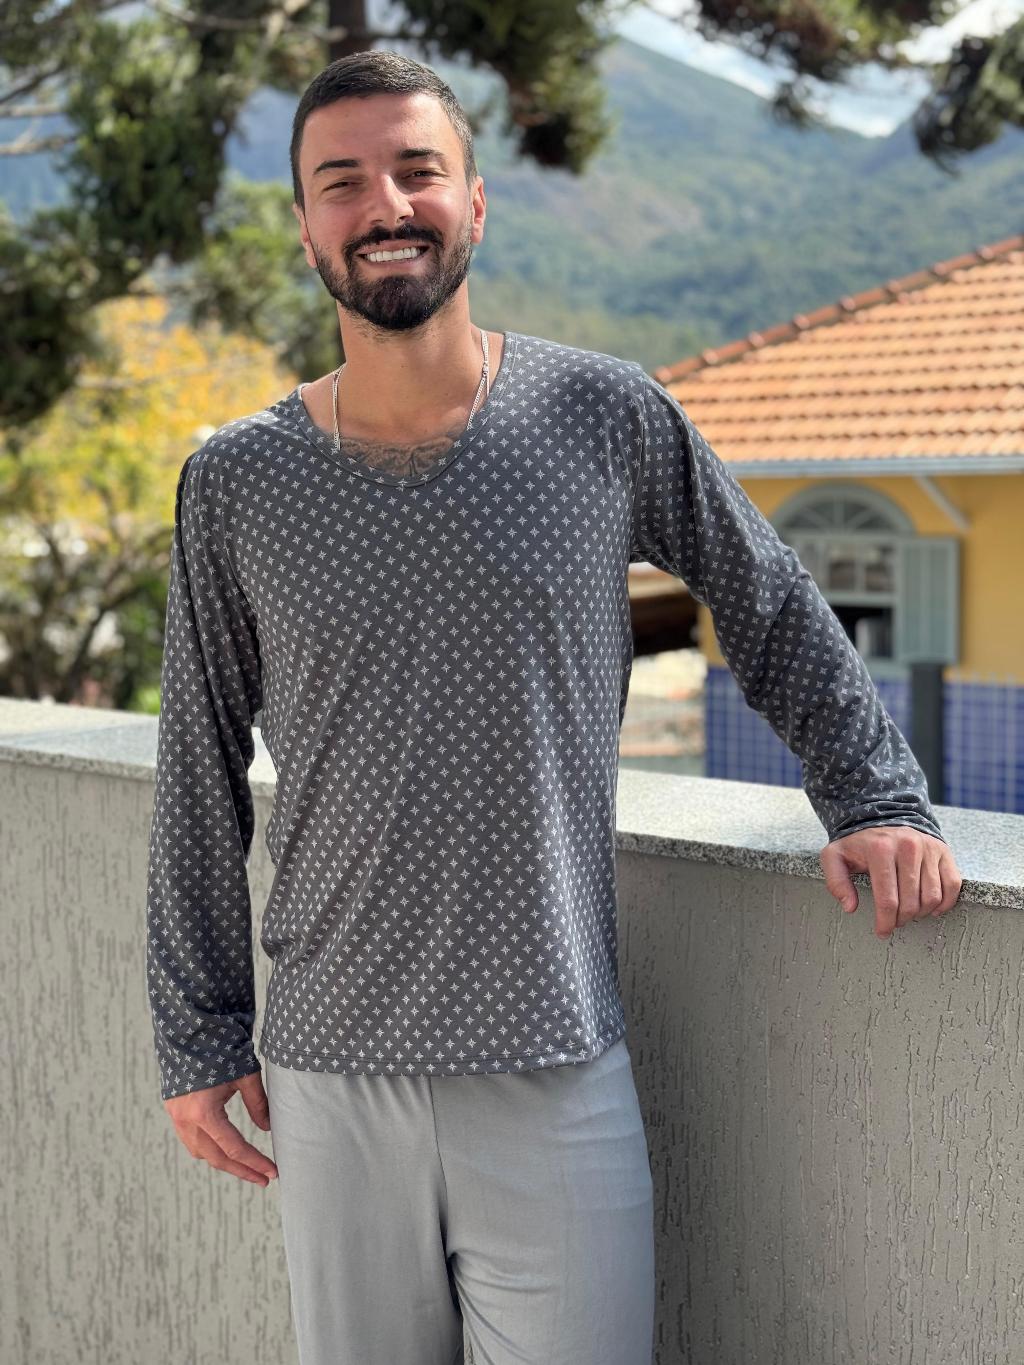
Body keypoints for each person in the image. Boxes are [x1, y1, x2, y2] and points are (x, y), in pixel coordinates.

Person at [146, 49, 964, 1365]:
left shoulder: (601, 414)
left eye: (417, 170)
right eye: (342, 182)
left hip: (556, 1052)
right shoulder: (238, 482)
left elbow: (764, 595)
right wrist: (196, 1030)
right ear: (305, 225)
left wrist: (872, 793)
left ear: (475, 201)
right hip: (328, 1069)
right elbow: (195, 762)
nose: (384, 205)